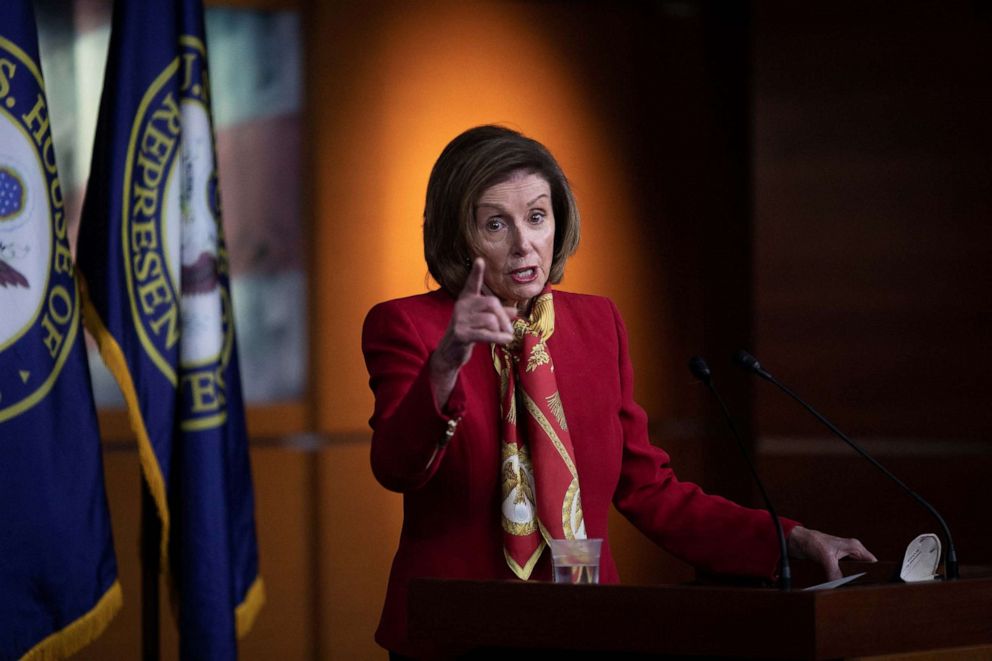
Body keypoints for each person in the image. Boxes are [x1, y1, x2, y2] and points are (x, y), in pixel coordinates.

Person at [362, 125, 875, 658]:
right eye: (496, 223)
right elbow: (396, 466)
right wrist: (447, 360)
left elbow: (650, 490)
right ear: (455, 236)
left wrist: (786, 539)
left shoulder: (596, 323)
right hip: (455, 635)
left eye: (537, 217)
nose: (524, 243)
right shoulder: (407, 326)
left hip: (587, 626)